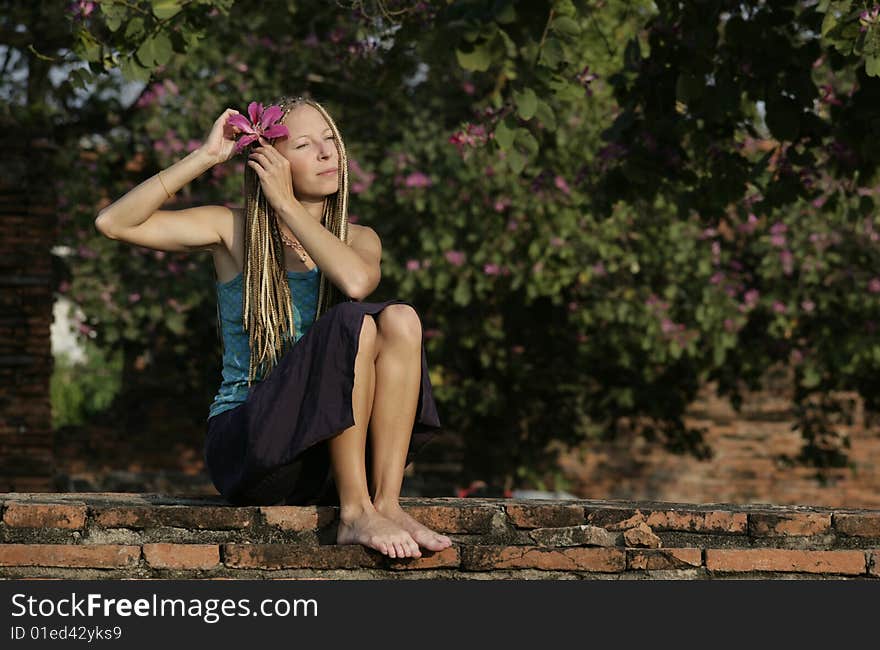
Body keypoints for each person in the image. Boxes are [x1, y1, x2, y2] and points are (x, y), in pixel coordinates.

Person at [95, 95, 452, 559]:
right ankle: (354, 513)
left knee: (400, 318)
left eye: (331, 140)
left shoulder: (360, 238)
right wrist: (207, 156)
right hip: (250, 448)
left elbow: (357, 281)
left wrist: (289, 206)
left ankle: (384, 502)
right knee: (351, 323)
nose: (327, 153)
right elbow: (112, 222)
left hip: (325, 457)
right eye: (305, 144)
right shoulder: (231, 231)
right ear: (270, 161)